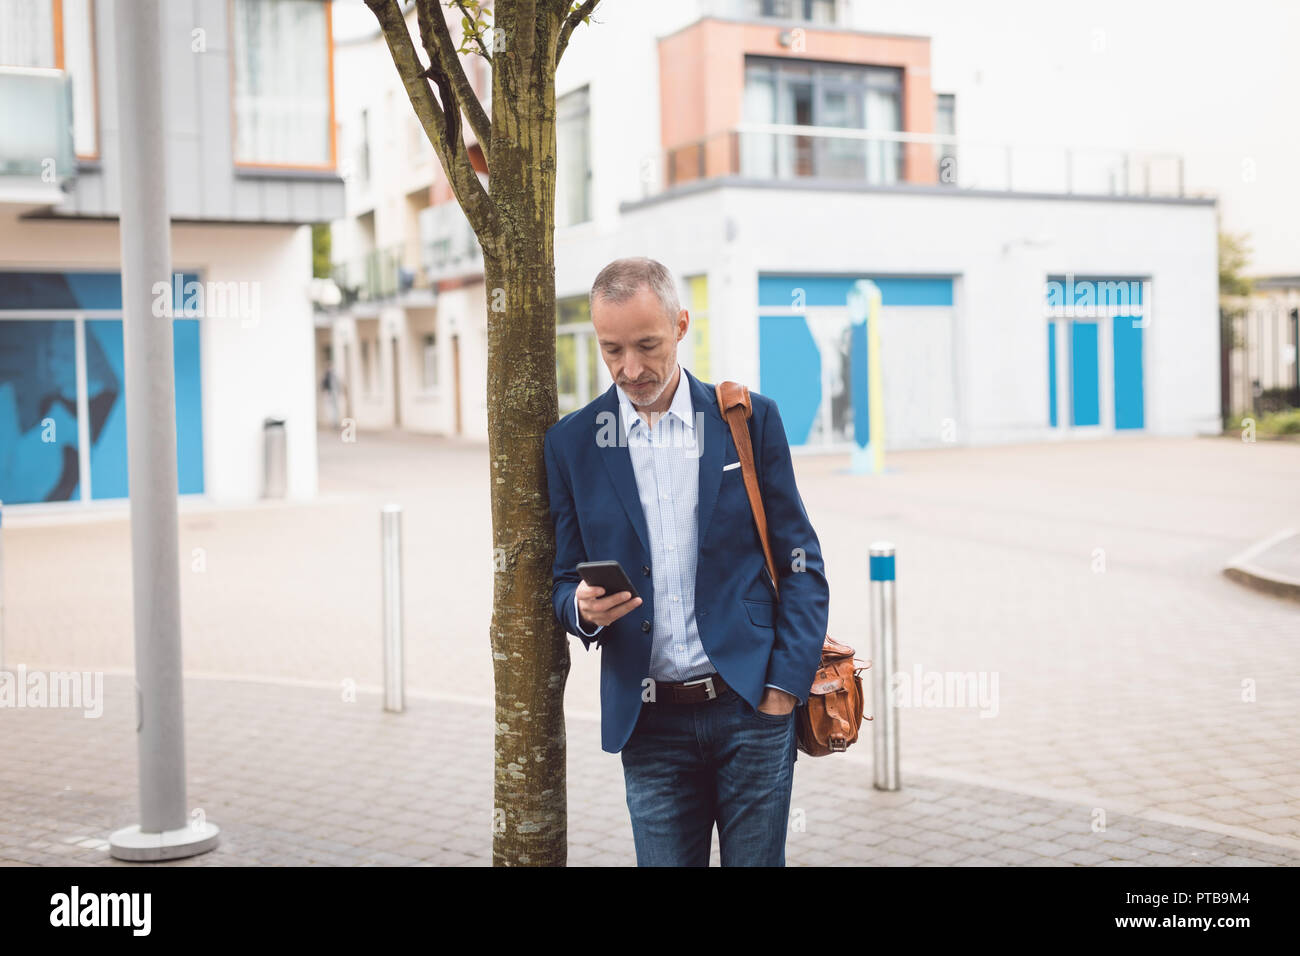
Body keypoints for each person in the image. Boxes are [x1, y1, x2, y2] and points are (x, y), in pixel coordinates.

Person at [543, 256, 830, 866]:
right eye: (611, 350)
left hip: (750, 707)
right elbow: (564, 579)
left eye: (647, 345)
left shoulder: (746, 421)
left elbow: (802, 560)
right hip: (648, 726)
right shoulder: (572, 443)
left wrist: (783, 685)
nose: (631, 368)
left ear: (680, 325)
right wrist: (582, 609)